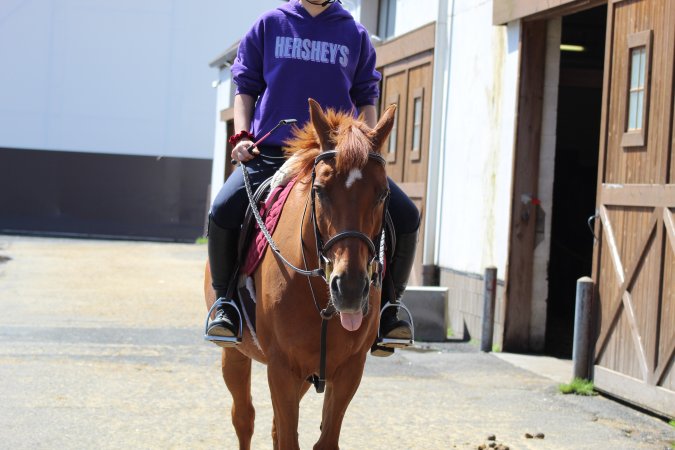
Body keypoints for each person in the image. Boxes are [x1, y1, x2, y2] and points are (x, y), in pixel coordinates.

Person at [205, 0, 419, 356]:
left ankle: (389, 311)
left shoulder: (353, 32)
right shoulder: (270, 24)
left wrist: (367, 147)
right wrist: (242, 136)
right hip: (273, 150)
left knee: (406, 216)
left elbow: (366, 95)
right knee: (223, 209)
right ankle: (225, 304)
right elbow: (245, 86)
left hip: (336, 156)